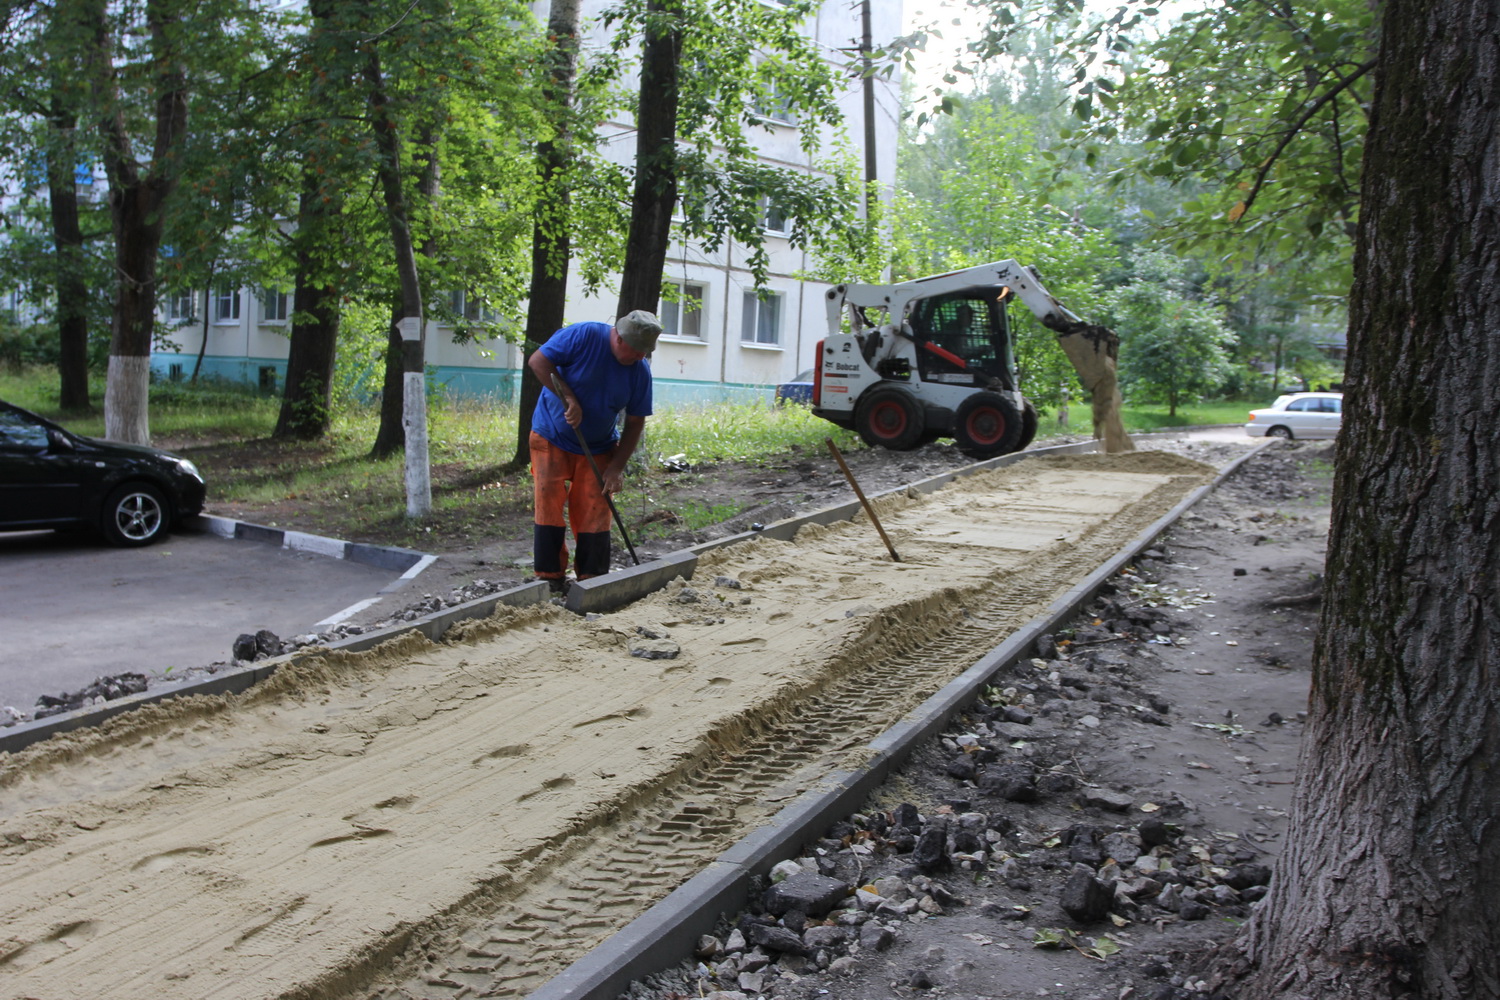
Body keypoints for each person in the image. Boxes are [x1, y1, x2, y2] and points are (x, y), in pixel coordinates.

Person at [526, 309, 661, 592]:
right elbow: (538, 361)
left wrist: (616, 468)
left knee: (595, 508)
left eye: (646, 352)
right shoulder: (584, 335)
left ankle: (593, 578)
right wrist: (568, 398)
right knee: (548, 502)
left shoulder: (639, 372)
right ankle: (550, 577)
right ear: (620, 338)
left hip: (599, 445)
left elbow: (635, 422)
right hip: (551, 435)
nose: (641, 357)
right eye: (637, 350)